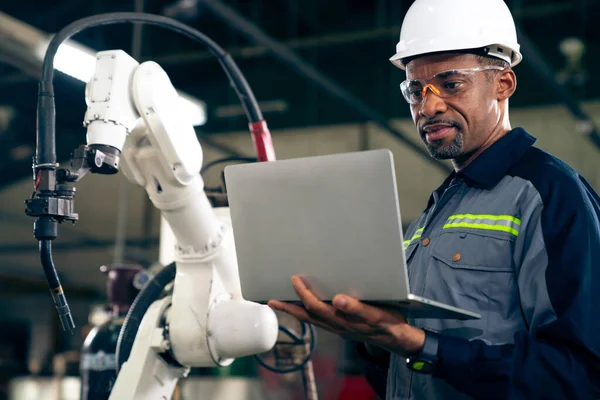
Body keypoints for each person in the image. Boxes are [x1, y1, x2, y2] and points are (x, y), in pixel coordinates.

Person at [267, 0, 600, 399]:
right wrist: (375, 338)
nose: (428, 106)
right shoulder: (435, 212)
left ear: (503, 84)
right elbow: (404, 378)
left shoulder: (548, 193)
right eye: (414, 90)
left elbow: (580, 375)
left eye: (451, 84)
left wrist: (419, 344)